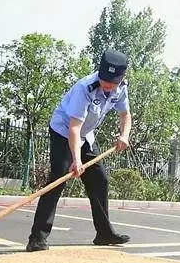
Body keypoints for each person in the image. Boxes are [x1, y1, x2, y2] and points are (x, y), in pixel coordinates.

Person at [26, 48, 133, 252]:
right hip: (63, 131)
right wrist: (76, 160)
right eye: (105, 80)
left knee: (100, 180)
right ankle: (37, 238)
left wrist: (124, 135)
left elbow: (125, 115)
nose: (108, 85)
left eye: (113, 82)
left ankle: (104, 233)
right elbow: (73, 128)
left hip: (85, 135)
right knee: (59, 177)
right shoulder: (85, 87)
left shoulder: (121, 88)